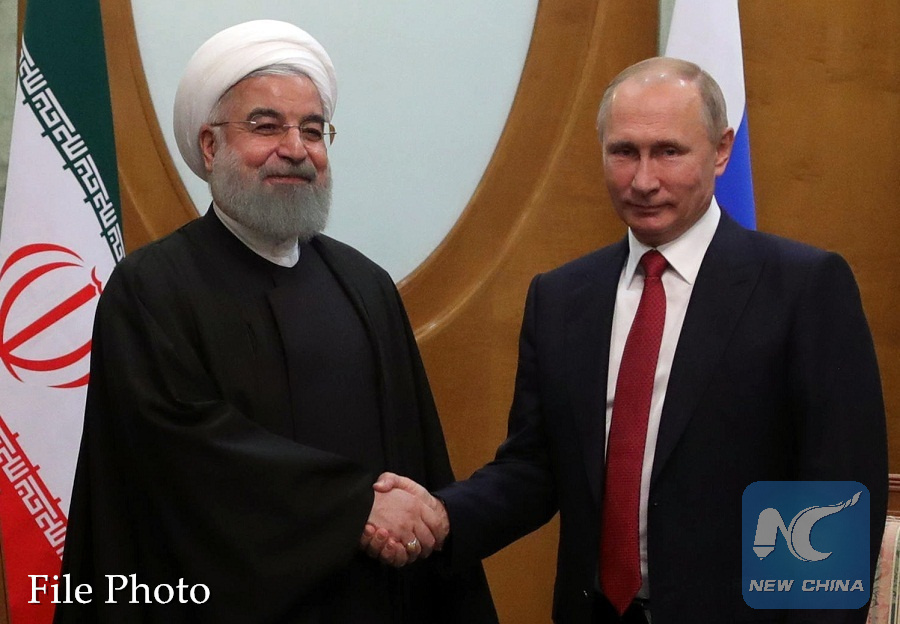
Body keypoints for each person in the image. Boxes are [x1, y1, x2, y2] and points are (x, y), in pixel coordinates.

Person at [366, 57, 888, 623]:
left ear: (721, 150)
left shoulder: (802, 289)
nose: (643, 180)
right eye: (623, 152)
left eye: (668, 151)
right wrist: (442, 516)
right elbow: (534, 469)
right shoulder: (561, 297)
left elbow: (834, 491)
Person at [55, 20, 496, 624]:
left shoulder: (364, 286)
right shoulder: (153, 289)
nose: (295, 148)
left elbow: (413, 452)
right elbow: (184, 465)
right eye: (266, 126)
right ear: (210, 146)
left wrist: (413, 522)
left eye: (313, 130)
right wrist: (352, 509)